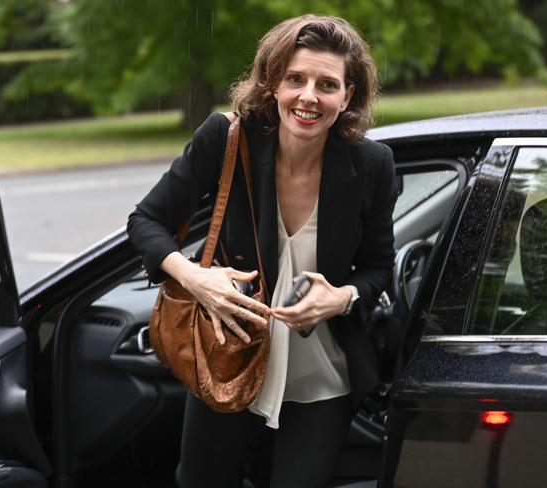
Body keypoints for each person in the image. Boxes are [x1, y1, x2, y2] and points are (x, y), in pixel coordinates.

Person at [127, 14, 397, 488]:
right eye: (295, 78)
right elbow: (146, 222)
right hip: (227, 359)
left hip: (323, 377)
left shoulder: (372, 164)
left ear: (348, 96)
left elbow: (378, 268)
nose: (308, 97)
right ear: (272, 82)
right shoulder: (226, 139)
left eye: (327, 84)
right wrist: (197, 279)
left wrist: (343, 297)